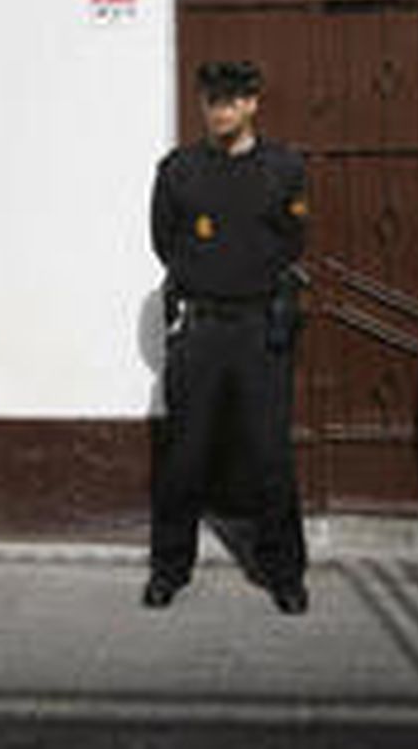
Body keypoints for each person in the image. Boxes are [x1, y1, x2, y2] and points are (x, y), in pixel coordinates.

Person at [145, 60, 310, 615]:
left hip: (260, 328)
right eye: (211, 100)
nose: (219, 110)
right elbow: (164, 241)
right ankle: (170, 568)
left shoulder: (284, 168)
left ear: (252, 104)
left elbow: (294, 240)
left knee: (270, 455)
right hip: (203, 327)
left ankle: (283, 573)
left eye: (231, 100)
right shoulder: (179, 170)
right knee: (185, 455)